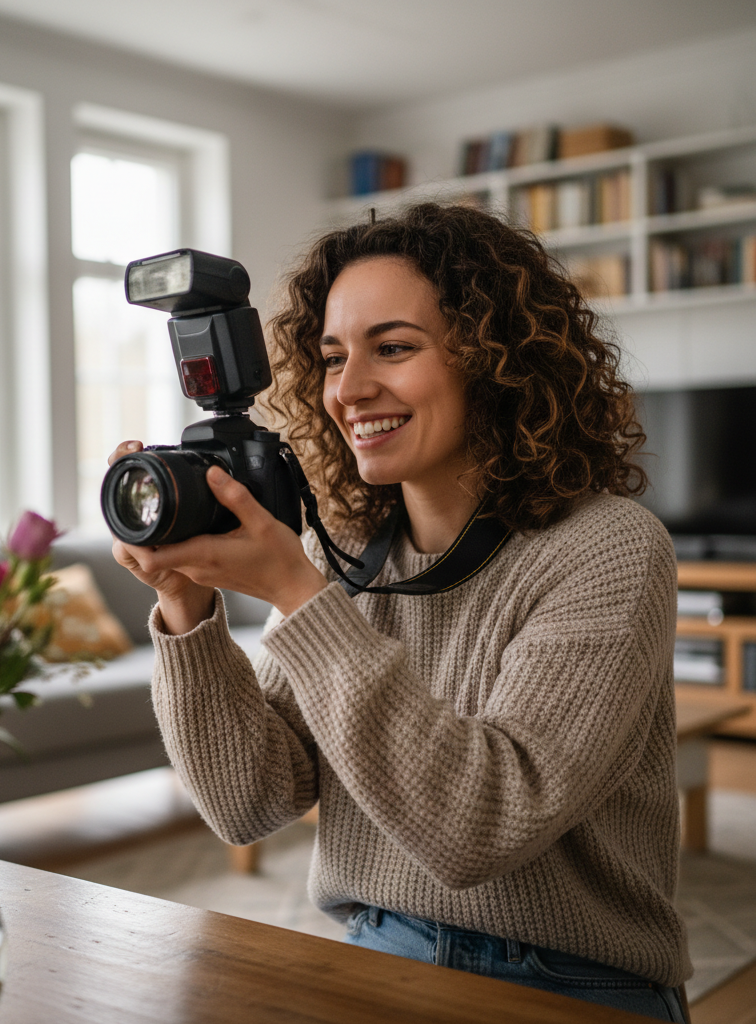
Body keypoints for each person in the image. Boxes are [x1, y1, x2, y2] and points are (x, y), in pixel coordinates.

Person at [108, 202, 690, 1021]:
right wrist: (186, 612)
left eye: (394, 348)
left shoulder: (608, 549)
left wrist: (302, 601)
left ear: (497, 362)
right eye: (334, 356)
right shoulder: (346, 549)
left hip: (569, 983)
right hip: (374, 954)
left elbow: (480, 828)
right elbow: (251, 803)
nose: (349, 390)